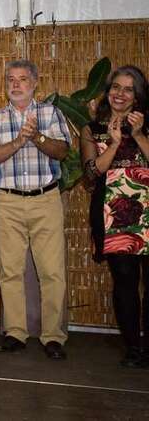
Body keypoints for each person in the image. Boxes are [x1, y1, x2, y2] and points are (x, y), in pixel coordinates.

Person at [0, 59, 71, 360]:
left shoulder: (50, 113)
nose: (15, 84)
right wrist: (19, 140)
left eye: (22, 79)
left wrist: (37, 137)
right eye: (10, 79)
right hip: (7, 201)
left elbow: (63, 150)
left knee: (52, 271)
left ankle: (53, 337)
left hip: (46, 200)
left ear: (34, 83)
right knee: (10, 271)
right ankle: (15, 333)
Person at [81, 65, 149, 368]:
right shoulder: (93, 129)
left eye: (128, 89)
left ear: (138, 96)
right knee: (124, 281)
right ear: (108, 92)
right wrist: (115, 142)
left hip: (147, 212)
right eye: (116, 87)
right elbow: (91, 174)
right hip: (114, 215)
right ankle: (133, 347)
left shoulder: (146, 125)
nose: (120, 94)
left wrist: (138, 134)